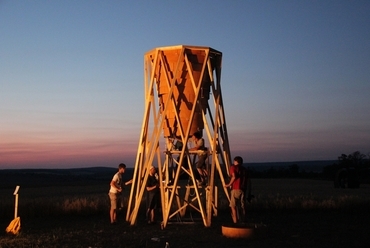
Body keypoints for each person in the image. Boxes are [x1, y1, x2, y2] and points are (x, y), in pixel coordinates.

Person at [224, 156, 252, 224]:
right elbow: (249, 181)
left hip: (236, 188)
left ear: (236, 161)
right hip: (243, 189)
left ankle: (235, 222)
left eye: (234, 161)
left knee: (233, 206)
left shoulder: (233, 167)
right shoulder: (244, 169)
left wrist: (228, 184)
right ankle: (243, 220)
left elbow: (234, 177)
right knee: (242, 206)